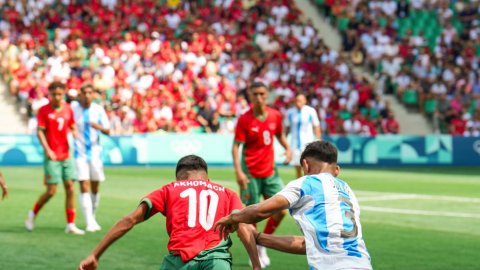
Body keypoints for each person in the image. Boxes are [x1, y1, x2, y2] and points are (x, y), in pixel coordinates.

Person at [78, 155, 261, 270]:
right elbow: (244, 227)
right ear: (207, 178)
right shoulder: (228, 193)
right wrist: (256, 264)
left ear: (178, 178)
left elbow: (129, 220)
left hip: (179, 261)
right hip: (216, 260)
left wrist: (95, 255)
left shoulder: (170, 189)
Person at [216, 141, 372, 270]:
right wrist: (259, 238)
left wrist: (233, 218)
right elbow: (309, 244)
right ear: (336, 169)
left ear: (305, 165)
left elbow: (259, 212)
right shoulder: (347, 191)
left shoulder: (307, 182)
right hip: (363, 264)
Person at [232, 81, 292, 267]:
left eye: (262, 94)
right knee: (250, 215)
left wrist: (288, 148)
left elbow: (280, 134)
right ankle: (254, 251)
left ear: (267, 95)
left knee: (282, 210)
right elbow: (235, 147)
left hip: (270, 172)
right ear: (250, 95)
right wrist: (239, 172)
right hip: (250, 173)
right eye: (255, 94)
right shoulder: (244, 119)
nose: (259, 97)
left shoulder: (275, 115)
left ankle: (261, 242)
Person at [25, 81, 84, 235]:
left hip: (66, 154)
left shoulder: (68, 109)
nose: (57, 97)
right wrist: (48, 150)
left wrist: (75, 131)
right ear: (49, 94)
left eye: (60, 94)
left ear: (63, 94)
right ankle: (32, 215)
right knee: (51, 191)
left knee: (70, 187)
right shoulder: (43, 111)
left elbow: (72, 125)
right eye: (54, 94)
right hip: (52, 155)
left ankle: (70, 224)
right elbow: (40, 132)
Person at [71, 84, 110, 232]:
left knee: (95, 186)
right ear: (80, 94)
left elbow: (108, 130)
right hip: (79, 153)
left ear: (93, 95)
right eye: (84, 93)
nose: (87, 95)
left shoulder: (98, 110)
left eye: (89, 93)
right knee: (84, 185)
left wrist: (97, 127)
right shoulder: (74, 109)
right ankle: (89, 221)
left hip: (95, 154)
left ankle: (92, 216)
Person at [285, 92, 321, 178]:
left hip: (307, 143)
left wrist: (318, 139)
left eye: (300, 100)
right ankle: (299, 185)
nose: (298, 102)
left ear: (305, 101)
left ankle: (310, 183)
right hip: (294, 144)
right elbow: (286, 128)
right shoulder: (290, 112)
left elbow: (316, 126)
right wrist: (285, 144)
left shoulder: (310, 111)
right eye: (297, 100)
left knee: (309, 165)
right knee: (297, 166)